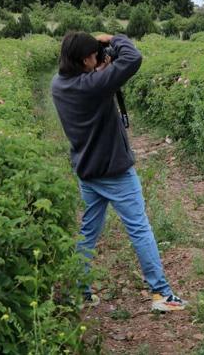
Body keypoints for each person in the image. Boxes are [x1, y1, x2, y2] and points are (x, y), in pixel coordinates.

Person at [51, 31, 186, 312]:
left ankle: (80, 291)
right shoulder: (93, 85)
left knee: (88, 230)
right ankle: (161, 294)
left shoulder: (59, 84)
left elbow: (92, 80)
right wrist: (115, 38)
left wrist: (101, 65)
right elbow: (133, 58)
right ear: (84, 59)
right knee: (139, 228)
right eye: (94, 55)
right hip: (114, 170)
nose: (97, 58)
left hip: (86, 169)